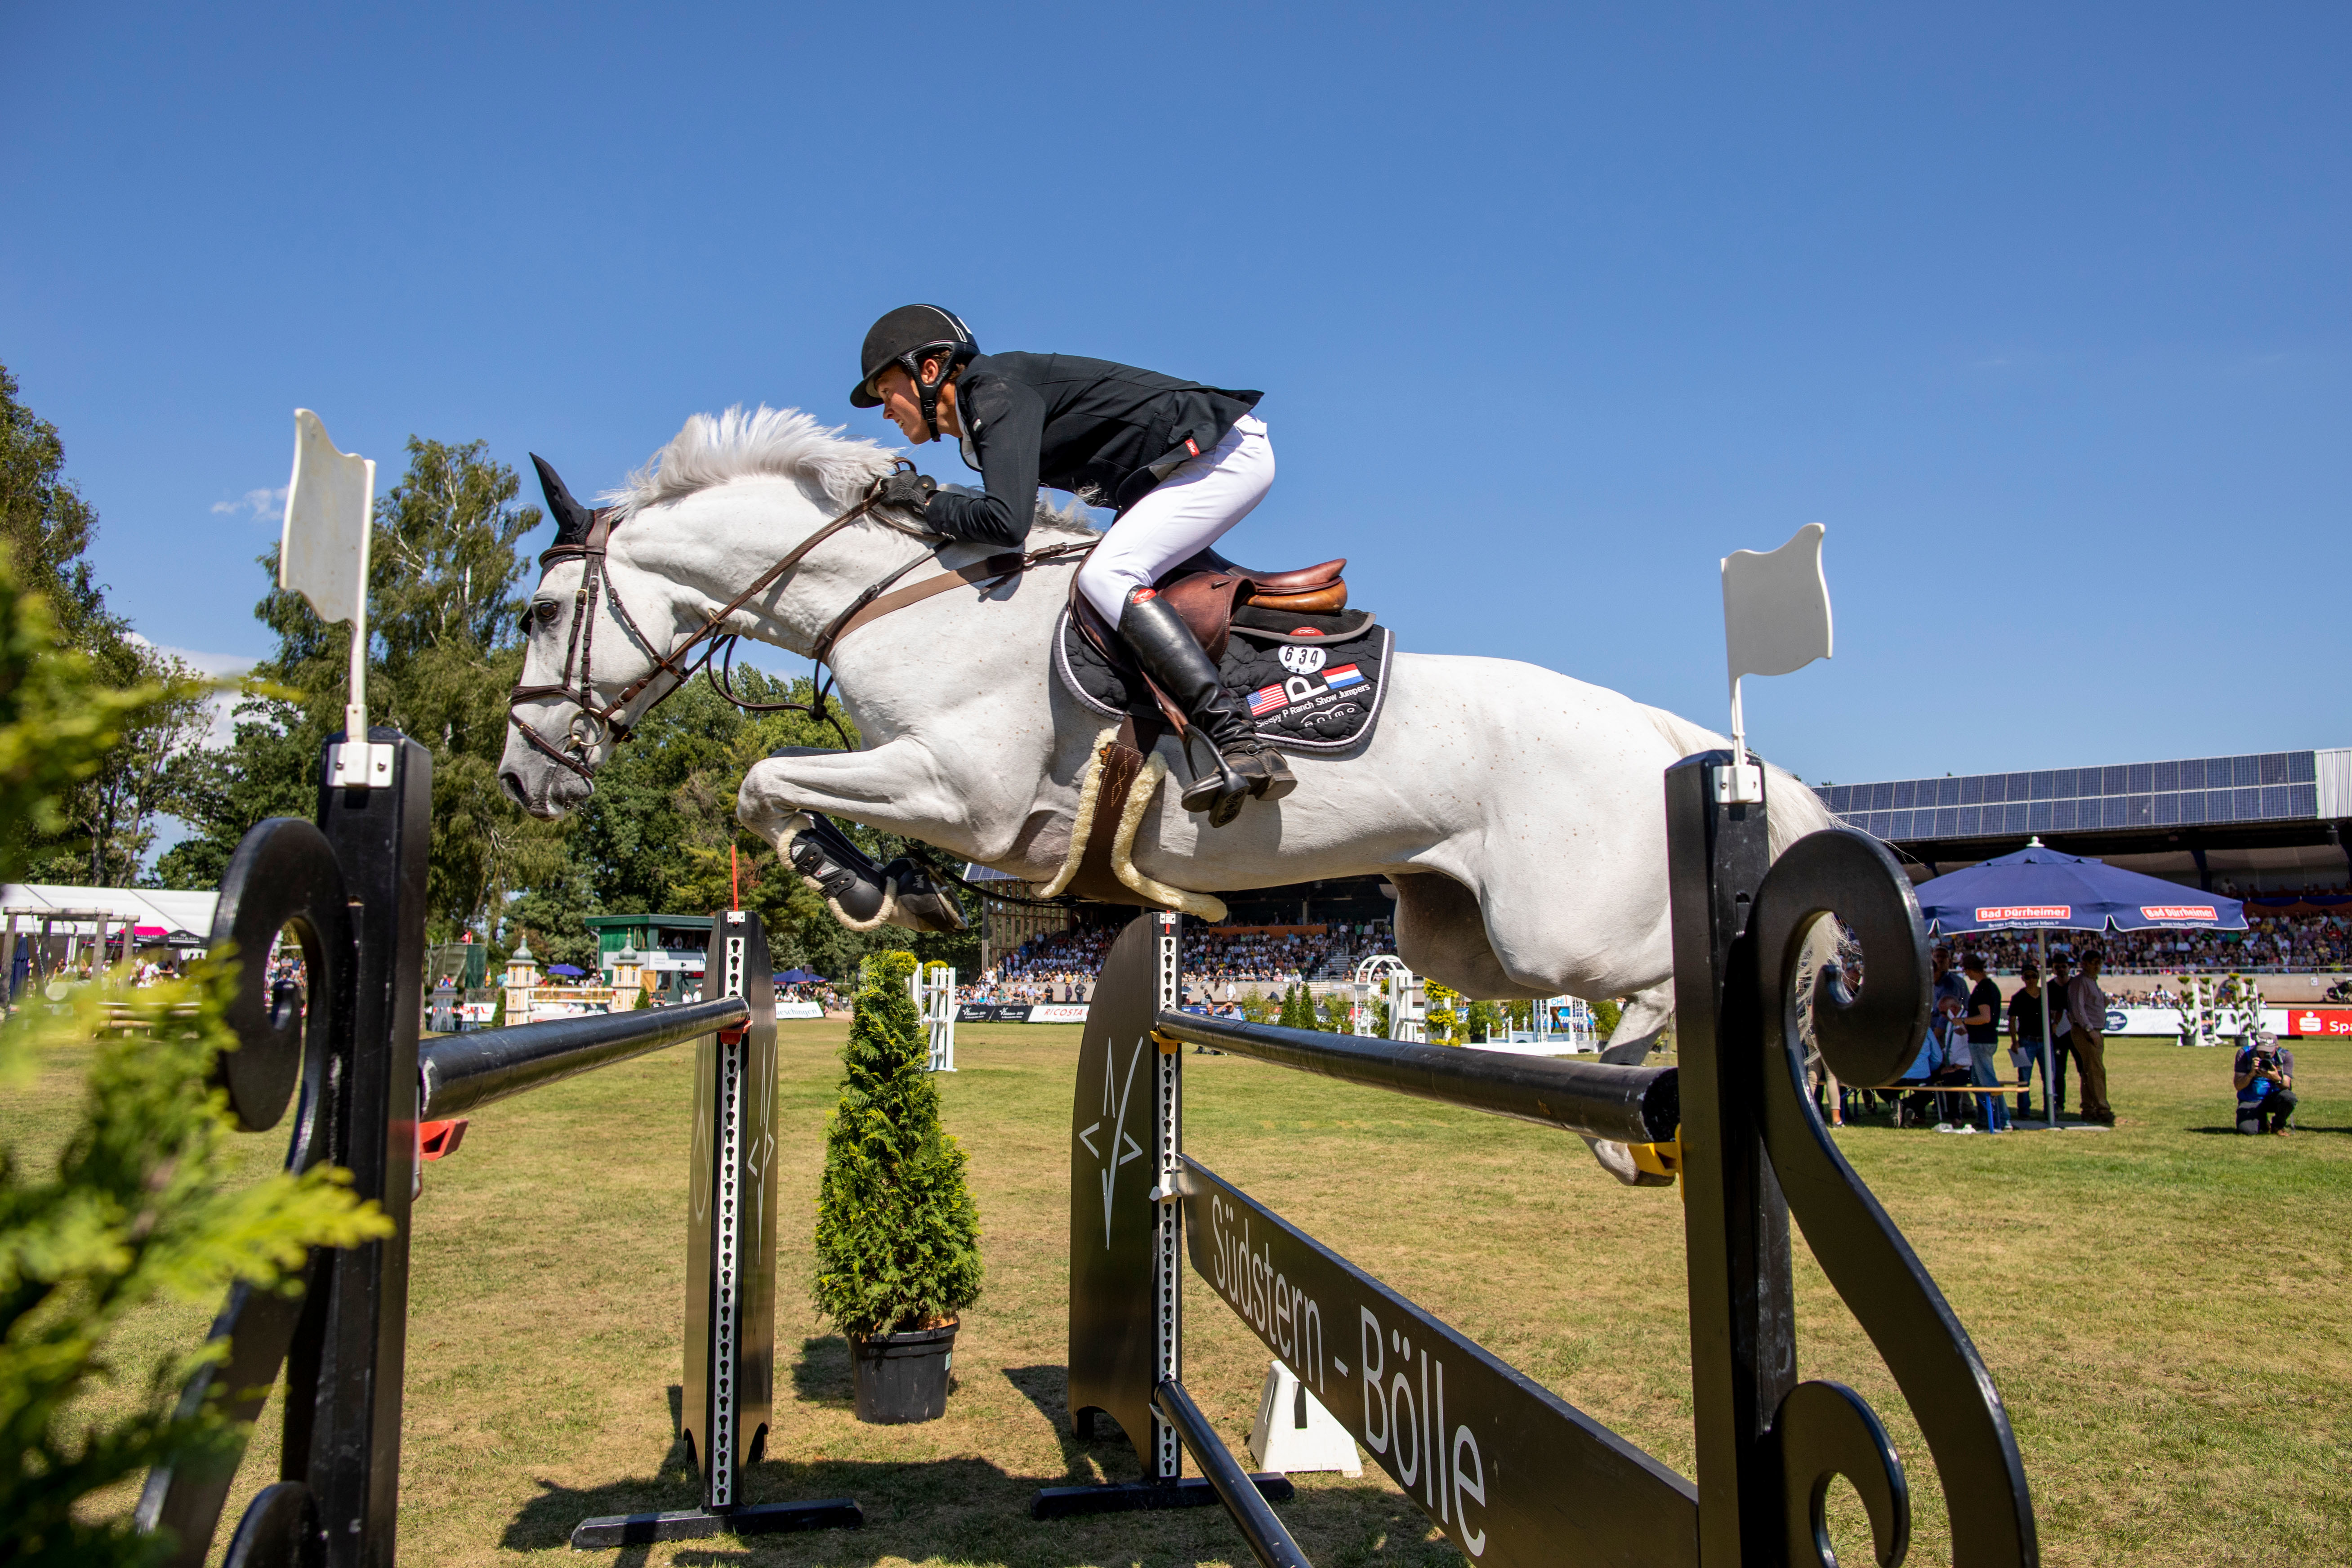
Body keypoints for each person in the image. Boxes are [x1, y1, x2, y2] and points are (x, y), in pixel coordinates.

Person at [851, 304, 1293, 822]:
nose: (886, 411)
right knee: (1114, 577)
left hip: (1220, 455)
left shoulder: (991, 391)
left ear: (929, 370)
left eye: (886, 393)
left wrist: (923, 501)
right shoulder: (986, 404)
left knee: (1108, 574)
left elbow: (1004, 522)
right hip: (1197, 463)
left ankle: (1234, 735)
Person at [2065, 949, 2116, 1126]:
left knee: (2089, 1071)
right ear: (2084, 963)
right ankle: (2103, 1109)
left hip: (2094, 1030)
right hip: (2086, 1032)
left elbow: (2100, 1002)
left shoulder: (2092, 982)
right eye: (2093, 962)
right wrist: (2090, 1030)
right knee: (2096, 1071)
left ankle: (2089, 1109)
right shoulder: (2080, 982)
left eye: (2099, 962)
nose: (2097, 966)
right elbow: (2077, 1008)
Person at [1961, 954, 2011, 1131]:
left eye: (1965, 970)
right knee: (1978, 1081)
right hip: (1984, 1040)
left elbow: (1985, 1017)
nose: (1965, 973)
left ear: (1971, 969)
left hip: (1982, 1041)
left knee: (1987, 1081)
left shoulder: (1983, 989)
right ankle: (1986, 1118)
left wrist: (1964, 1022)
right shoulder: (1989, 987)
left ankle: (2002, 1120)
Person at [2233, 1032, 2298, 1135]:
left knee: (2289, 1097)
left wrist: (2276, 1078)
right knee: (2247, 1131)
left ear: (2277, 1047)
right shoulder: (2244, 1054)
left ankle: (2277, 1126)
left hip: (2274, 1098)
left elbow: (2287, 1086)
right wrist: (2251, 1074)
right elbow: (2238, 1086)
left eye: (2269, 1052)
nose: (2265, 1055)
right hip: (2251, 1099)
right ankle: (2262, 1121)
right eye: (2262, 1051)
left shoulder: (2285, 1056)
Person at [2006, 960, 2048, 1118]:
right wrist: (2014, 1041)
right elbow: (2011, 1020)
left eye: (2034, 976)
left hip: (2044, 1041)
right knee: (2024, 1078)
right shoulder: (2018, 997)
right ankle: (2024, 1112)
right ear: (2023, 978)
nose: (2031, 979)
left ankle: (2049, 1110)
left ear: (2038, 977)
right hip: (2026, 1041)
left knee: (2048, 1077)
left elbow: (2057, 1012)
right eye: (2028, 977)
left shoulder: (2045, 994)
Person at [2044, 952, 2075, 1118]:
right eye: (2057, 967)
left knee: (2083, 1069)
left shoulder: (2076, 985)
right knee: (2059, 1071)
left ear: (2069, 967)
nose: (2061, 970)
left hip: (2076, 1032)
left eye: (2064, 967)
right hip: (2059, 1034)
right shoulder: (2050, 987)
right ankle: (2059, 1104)